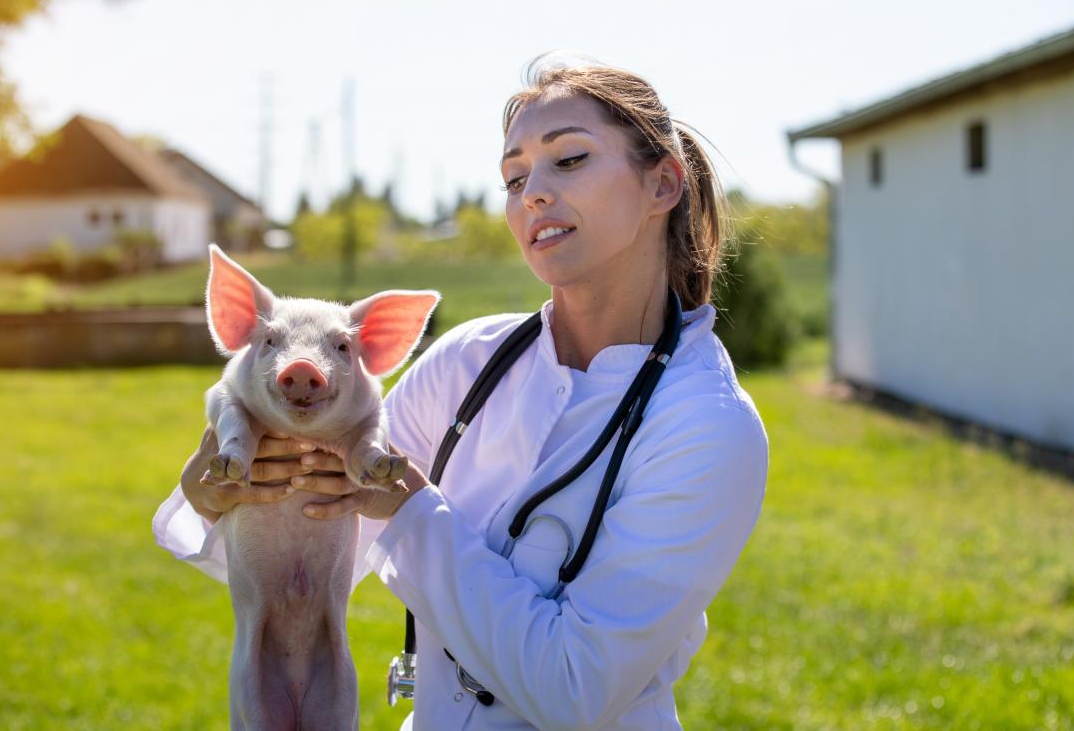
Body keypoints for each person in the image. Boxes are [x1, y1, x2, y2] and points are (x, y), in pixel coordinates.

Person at [155, 57, 769, 730]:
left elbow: (575, 687)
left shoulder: (708, 425)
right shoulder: (468, 363)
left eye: (568, 159)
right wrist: (210, 497)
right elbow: (315, 529)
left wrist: (417, 514)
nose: (533, 191)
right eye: (514, 176)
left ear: (663, 184)